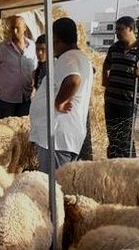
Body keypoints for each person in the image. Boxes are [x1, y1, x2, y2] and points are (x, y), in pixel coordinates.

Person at [29, 17, 93, 173]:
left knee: (54, 188)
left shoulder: (68, 58)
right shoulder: (79, 57)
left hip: (57, 138)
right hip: (61, 138)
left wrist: (59, 102)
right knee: (60, 185)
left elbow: (73, 80)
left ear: (55, 39)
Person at [102, 16, 139, 158]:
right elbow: (106, 65)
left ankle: (130, 168)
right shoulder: (114, 47)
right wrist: (104, 79)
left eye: (120, 29)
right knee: (113, 138)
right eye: (116, 29)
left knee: (125, 140)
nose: (116, 33)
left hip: (128, 103)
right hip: (111, 101)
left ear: (130, 29)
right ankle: (113, 168)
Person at [0, 16, 37, 118]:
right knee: (6, 130)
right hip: (6, 100)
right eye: (12, 28)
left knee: (22, 129)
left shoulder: (32, 46)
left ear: (24, 28)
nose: (14, 31)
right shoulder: (2, 48)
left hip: (25, 98)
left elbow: (36, 67)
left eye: (17, 28)